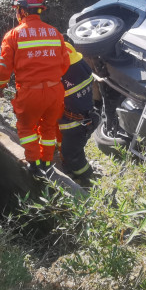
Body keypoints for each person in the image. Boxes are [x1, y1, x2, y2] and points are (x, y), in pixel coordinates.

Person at [0, 0, 70, 178]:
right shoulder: (55, 33)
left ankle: (35, 165)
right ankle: (47, 161)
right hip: (55, 92)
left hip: (30, 93)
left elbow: (3, 68)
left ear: (22, 10)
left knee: (26, 127)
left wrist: (1, 85)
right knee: (49, 126)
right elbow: (65, 63)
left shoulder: (13, 35)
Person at [56, 42, 98, 186]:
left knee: (71, 153)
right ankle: (72, 169)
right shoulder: (82, 67)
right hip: (86, 117)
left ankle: (87, 179)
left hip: (77, 123)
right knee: (70, 148)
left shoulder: (67, 77)